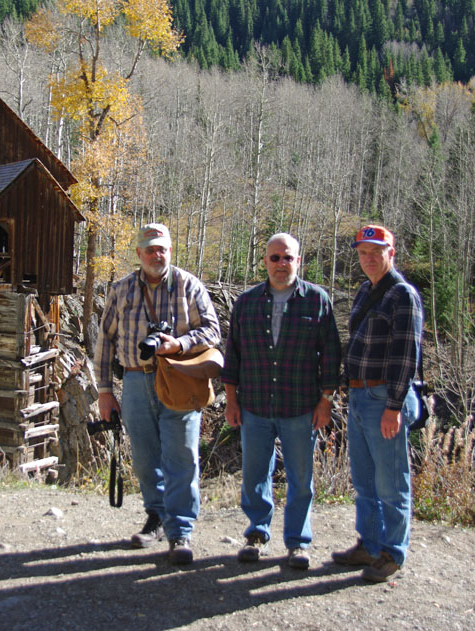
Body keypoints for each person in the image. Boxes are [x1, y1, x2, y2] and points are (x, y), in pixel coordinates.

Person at [95, 223, 221, 565]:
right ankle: (156, 517)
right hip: (135, 380)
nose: (156, 255)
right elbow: (105, 340)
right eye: (149, 249)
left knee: (181, 455)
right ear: (138, 253)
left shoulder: (188, 285)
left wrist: (179, 343)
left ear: (170, 250)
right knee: (146, 456)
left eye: (162, 248)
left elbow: (213, 330)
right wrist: (105, 391)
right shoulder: (121, 289)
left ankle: (180, 531)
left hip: (179, 377)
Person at [222, 233, 341, 569]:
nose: (280, 264)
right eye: (274, 258)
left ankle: (298, 543)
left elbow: (330, 357)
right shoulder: (246, 303)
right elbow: (233, 357)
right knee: (255, 475)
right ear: (265, 261)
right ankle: (257, 534)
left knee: (301, 479)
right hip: (255, 406)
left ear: (298, 261)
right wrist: (231, 401)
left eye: (287, 257)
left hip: (301, 407)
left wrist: (326, 400)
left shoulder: (317, 300)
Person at [333, 225, 423, 583]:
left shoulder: (403, 295)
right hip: (358, 395)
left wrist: (394, 406)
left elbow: (406, 355)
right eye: (363, 253)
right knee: (365, 479)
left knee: (391, 481)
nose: (368, 259)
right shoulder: (364, 292)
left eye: (376, 252)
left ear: (391, 253)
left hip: (384, 397)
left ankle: (392, 552)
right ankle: (369, 545)